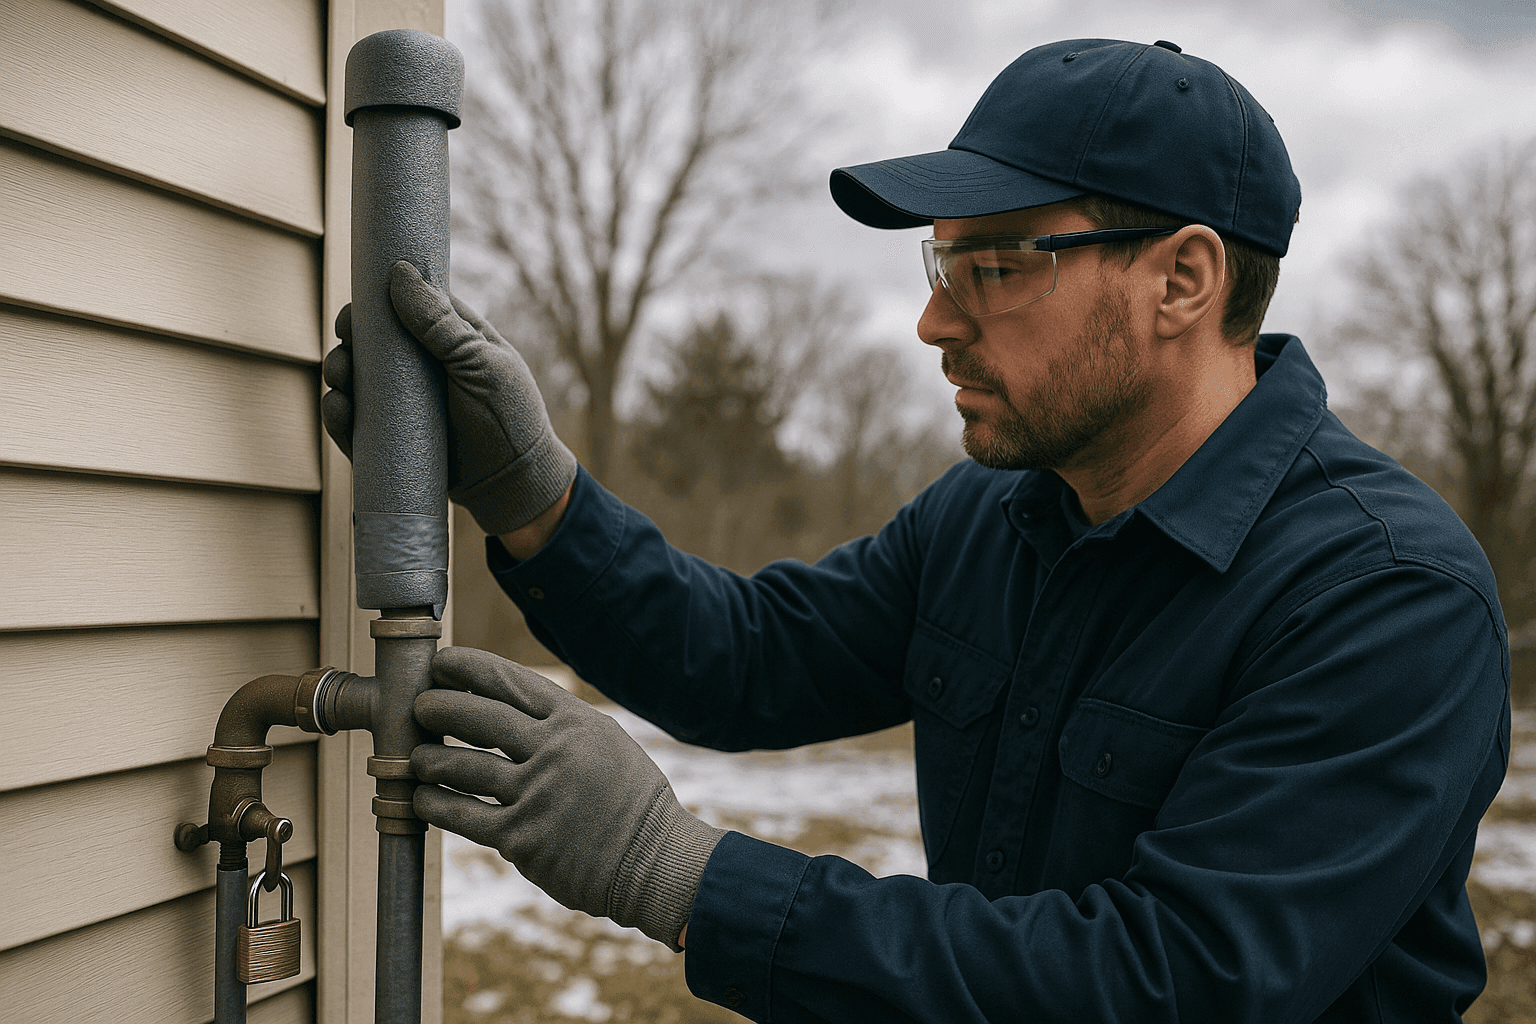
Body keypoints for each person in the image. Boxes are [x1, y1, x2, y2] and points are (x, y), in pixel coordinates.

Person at [322, 37, 1512, 1023]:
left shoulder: (1385, 596)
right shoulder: (991, 516)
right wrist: (532, 490)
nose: (934, 322)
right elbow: (746, 659)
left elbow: (1173, 979)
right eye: (940, 263)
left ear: (1183, 281)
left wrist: (681, 875)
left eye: (996, 266)